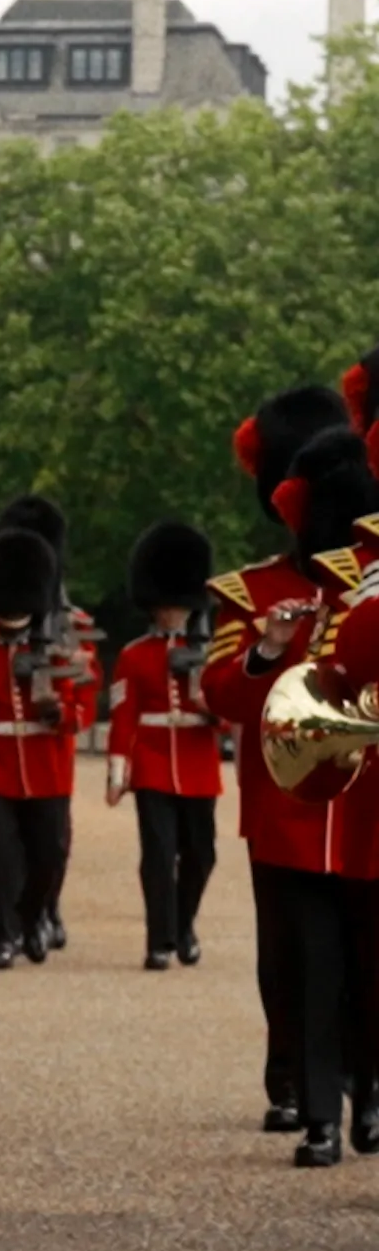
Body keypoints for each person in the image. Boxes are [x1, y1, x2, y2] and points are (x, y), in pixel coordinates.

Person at [203, 388, 363, 1146]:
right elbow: (220, 694)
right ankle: (304, 1093)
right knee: (295, 962)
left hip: (365, 810)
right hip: (288, 810)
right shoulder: (254, 593)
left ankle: (363, 1091)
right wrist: (266, 648)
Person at [0, 526, 90, 968]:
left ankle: (33, 918)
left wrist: (59, 714)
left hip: (46, 767)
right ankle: (3, 936)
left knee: (48, 854)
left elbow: (81, 710)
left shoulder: (57, 653)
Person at [106, 521, 221, 970]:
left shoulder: (212, 653)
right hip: (152, 764)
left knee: (201, 855)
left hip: (198, 763)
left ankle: (184, 925)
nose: (171, 613)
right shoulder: (135, 655)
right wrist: (118, 774)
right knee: (157, 856)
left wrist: (206, 703)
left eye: (178, 605)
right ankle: (159, 941)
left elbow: (230, 716)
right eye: (164, 606)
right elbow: (123, 716)